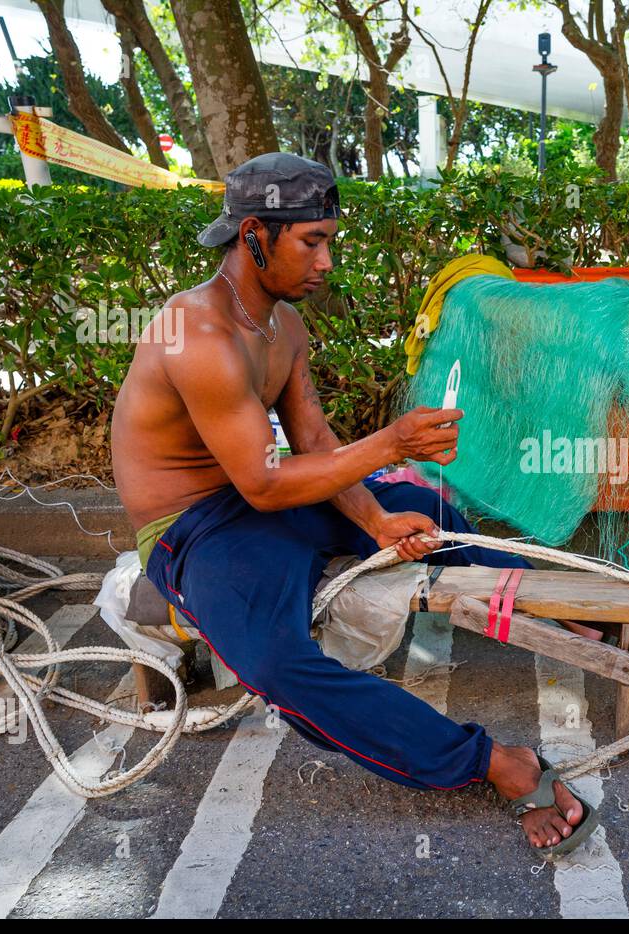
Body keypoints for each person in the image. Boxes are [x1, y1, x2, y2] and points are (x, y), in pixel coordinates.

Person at [110, 153, 593, 856]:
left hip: (264, 499)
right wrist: (394, 440)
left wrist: (376, 521)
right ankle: (494, 761)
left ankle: (565, 610)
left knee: (421, 510)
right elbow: (266, 483)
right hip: (196, 530)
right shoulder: (201, 335)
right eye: (312, 241)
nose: (328, 261)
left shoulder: (283, 327)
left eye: (330, 240)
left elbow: (310, 438)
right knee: (281, 669)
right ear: (253, 235)